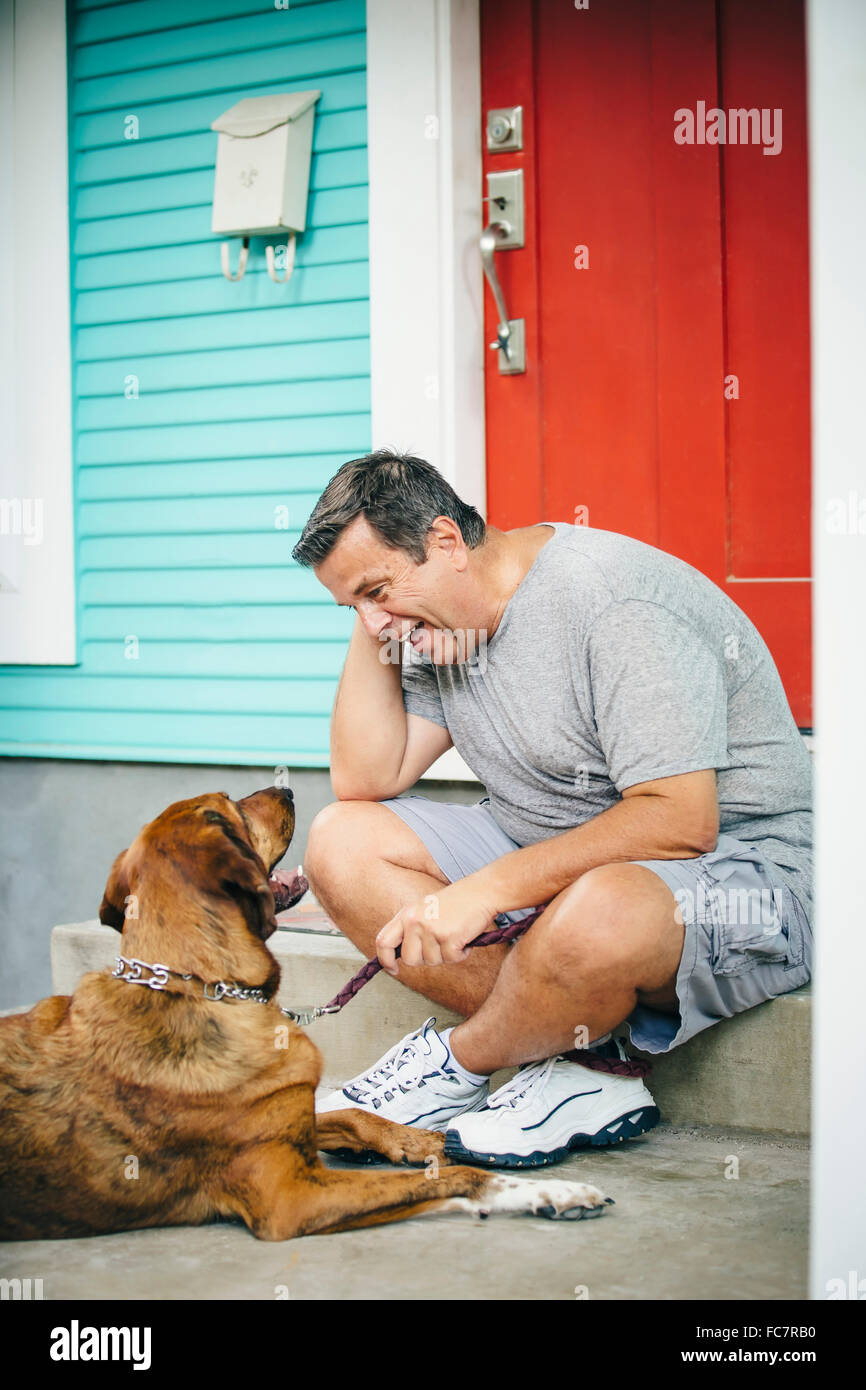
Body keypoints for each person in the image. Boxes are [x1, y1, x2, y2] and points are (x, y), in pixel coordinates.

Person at [290, 449, 812, 1168]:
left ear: (446, 542)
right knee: (341, 843)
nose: (376, 622)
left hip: (743, 874)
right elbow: (367, 774)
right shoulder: (445, 619)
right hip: (564, 859)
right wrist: (376, 609)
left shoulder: (614, 602)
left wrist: (490, 890)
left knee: (598, 909)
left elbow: (679, 821)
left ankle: (460, 1063)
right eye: (353, 605)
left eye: (377, 589)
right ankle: (576, 1051)